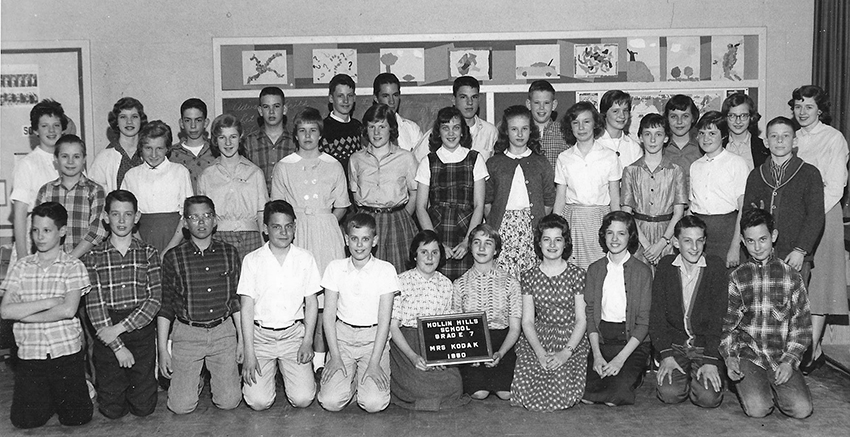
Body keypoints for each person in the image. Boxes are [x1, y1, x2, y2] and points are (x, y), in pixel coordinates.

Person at [0, 202, 93, 429]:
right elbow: (5, 310)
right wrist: (49, 302)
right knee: (24, 422)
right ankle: (49, 397)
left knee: (76, 419)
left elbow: (68, 309)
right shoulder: (21, 266)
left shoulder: (73, 266)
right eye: (35, 230)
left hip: (65, 354)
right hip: (31, 355)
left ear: (61, 231)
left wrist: (25, 313)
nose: (39, 237)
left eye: (46, 230)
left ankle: (80, 390)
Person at [271, 107, 349, 374]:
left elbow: (341, 206)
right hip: (297, 234)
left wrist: (323, 222)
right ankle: (299, 360)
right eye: (302, 131)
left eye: (313, 131)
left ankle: (322, 360)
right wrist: (299, 225)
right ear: (295, 135)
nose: (308, 136)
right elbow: (278, 207)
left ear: (320, 134)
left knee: (326, 297)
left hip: (327, 233)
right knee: (303, 296)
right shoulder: (284, 166)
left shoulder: (333, 165)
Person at [720, 208, 813, 419]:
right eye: (750, 241)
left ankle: (775, 385)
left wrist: (789, 361)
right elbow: (729, 326)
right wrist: (729, 358)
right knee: (758, 410)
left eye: (763, 239)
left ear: (774, 236)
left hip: (780, 356)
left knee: (801, 410)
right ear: (742, 241)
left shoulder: (791, 277)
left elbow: (803, 326)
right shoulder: (737, 277)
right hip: (750, 355)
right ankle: (756, 385)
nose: (757, 247)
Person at [158, 196, 243, 414]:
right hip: (188, 334)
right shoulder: (173, 257)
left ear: (215, 220)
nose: (201, 222)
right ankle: (194, 380)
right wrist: (162, 350)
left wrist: (242, 340)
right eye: (194, 217)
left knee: (229, 402)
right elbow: (166, 306)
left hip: (222, 333)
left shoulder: (229, 253)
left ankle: (217, 377)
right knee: (180, 407)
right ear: (185, 223)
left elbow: (236, 301)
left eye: (206, 216)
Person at [83, 190, 161, 419]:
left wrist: (119, 330)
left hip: (139, 328)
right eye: (115, 214)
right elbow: (94, 304)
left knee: (144, 408)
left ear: (137, 217)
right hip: (106, 328)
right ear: (105, 217)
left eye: (127, 214)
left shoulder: (148, 253)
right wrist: (117, 346)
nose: (121, 220)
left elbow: (154, 299)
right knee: (112, 411)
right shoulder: (94, 256)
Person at [789, 85, 849, 374]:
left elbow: (836, 186)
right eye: (798, 106)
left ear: (820, 110)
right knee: (799, 284)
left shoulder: (833, 138)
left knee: (821, 284)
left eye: (809, 107)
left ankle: (810, 350)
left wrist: (810, 216)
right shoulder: (791, 137)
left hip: (824, 217)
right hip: (797, 218)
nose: (802, 112)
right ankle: (814, 348)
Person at [239, 200, 320, 410]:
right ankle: (268, 378)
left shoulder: (305, 258)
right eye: (276, 226)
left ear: (295, 226)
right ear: (265, 229)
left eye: (288, 226)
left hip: (293, 336)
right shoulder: (252, 260)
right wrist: (249, 351)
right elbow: (246, 307)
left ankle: (289, 374)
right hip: (260, 338)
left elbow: (311, 303)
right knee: (258, 402)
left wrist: (307, 341)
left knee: (303, 399)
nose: (283, 232)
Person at [318, 213, 398, 413]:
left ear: (375, 240)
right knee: (330, 402)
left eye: (365, 239)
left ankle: (362, 382)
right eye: (354, 238)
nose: (359, 245)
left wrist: (374, 362)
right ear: (346, 240)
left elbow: (384, 320)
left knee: (373, 404)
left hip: (373, 341)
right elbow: (328, 316)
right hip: (342, 339)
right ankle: (349, 384)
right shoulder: (335, 268)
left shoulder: (386, 270)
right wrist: (334, 356)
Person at [510, 214, 588, 411]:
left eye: (558, 239)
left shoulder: (577, 275)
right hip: (538, 337)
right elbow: (527, 321)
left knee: (561, 386)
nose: (552, 245)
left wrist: (565, 353)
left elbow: (581, 320)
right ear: (539, 242)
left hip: (570, 337)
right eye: (547, 239)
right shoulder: (529, 276)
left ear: (565, 243)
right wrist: (540, 353)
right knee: (526, 388)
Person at [650, 216, 727, 408]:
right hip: (675, 347)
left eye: (699, 240)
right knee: (670, 394)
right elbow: (657, 315)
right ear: (676, 242)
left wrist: (710, 359)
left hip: (704, 347)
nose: (694, 247)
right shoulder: (666, 267)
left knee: (708, 398)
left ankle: (701, 377)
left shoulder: (715, 267)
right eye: (687, 241)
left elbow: (720, 318)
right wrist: (666, 355)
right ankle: (684, 378)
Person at [389, 230, 470, 410]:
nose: (429, 257)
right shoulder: (401, 281)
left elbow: (448, 327)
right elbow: (393, 327)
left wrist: (443, 358)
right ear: (415, 255)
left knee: (455, 384)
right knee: (416, 383)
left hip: (436, 343)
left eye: (435, 252)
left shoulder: (446, 284)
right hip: (406, 343)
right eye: (424, 252)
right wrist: (412, 357)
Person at [583, 211, 652, 406]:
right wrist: (597, 355)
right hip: (604, 341)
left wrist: (620, 360)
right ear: (603, 236)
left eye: (621, 233)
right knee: (586, 396)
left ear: (630, 236)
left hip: (632, 343)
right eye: (610, 233)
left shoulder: (642, 271)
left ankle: (633, 374)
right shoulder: (595, 269)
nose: (615, 239)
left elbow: (644, 321)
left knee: (616, 396)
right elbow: (590, 315)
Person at [742, 116, 824, 281]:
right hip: (761, 255)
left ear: (794, 141)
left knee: (795, 303)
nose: (779, 140)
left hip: (794, 256)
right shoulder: (756, 175)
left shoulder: (809, 173)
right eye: (774, 136)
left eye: (785, 135)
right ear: (766, 142)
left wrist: (801, 250)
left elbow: (816, 216)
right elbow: (747, 215)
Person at [415, 106, 488, 280]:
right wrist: (437, 244)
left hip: (467, 229)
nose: (451, 133)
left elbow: (479, 205)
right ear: (438, 132)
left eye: (456, 127)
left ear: (463, 131)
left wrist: (468, 242)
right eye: (445, 127)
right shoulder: (428, 161)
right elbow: (420, 207)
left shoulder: (475, 159)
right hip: (438, 230)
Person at [452, 224, 521, 401]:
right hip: (472, 344)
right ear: (470, 247)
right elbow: (457, 328)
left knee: (506, 394)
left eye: (488, 243)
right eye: (476, 242)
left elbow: (514, 328)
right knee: (479, 394)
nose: (481, 248)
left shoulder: (510, 283)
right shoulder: (459, 284)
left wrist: (501, 353)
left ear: (496, 250)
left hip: (502, 343)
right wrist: (470, 353)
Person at [485, 105, 555, 277]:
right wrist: (496, 221)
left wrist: (536, 219)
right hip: (503, 229)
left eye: (524, 129)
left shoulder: (541, 162)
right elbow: (487, 201)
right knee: (502, 280)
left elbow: (548, 200)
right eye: (514, 129)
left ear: (531, 131)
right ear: (506, 132)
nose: (519, 134)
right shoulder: (494, 163)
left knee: (529, 279)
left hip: (530, 229)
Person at [349, 103, 419, 273]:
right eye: (371, 127)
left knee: (399, 273)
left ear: (391, 129)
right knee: (367, 273)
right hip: (366, 220)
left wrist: (401, 215)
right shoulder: (356, 159)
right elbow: (355, 193)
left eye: (382, 126)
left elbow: (415, 192)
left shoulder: (406, 157)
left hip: (397, 220)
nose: (376, 132)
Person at [553, 101, 621, 271]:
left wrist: (616, 227)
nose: (581, 127)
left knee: (600, 270)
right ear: (570, 127)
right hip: (573, 220)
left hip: (600, 219)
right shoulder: (564, 158)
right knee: (572, 270)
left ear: (595, 124)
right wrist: (554, 227)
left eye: (586, 121)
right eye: (575, 122)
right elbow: (560, 198)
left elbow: (614, 198)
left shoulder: (609, 156)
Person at [197, 113, 268, 260]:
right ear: (215, 140)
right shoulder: (206, 175)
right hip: (219, 237)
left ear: (240, 136)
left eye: (233, 137)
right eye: (222, 137)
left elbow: (262, 214)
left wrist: (265, 249)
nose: (228, 143)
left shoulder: (254, 172)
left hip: (251, 238)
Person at [620, 113, 686, 267]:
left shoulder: (676, 171)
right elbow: (626, 213)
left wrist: (661, 244)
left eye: (658, 134)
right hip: (638, 236)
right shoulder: (630, 170)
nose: (653, 139)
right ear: (641, 137)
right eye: (647, 134)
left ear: (666, 138)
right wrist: (647, 246)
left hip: (667, 237)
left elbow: (678, 213)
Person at [121, 120, 194, 257]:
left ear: (167, 148)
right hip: (141, 237)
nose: (153, 154)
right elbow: (127, 213)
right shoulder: (132, 175)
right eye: (148, 148)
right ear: (140, 148)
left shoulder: (179, 171)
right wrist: (142, 246)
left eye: (159, 148)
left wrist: (169, 249)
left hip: (174, 238)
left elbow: (186, 213)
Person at [689, 111, 748, 268]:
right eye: (702, 133)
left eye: (712, 133)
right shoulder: (695, 166)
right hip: (700, 233)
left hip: (727, 232)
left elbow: (743, 208)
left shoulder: (736, 163)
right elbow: (692, 206)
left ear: (723, 136)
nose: (706, 138)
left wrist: (735, 246)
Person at [35, 134, 108, 259]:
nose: (70, 161)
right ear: (56, 159)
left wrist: (70, 259)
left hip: (86, 262)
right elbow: (39, 228)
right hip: (52, 262)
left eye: (76, 156)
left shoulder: (95, 191)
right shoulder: (46, 191)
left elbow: (97, 231)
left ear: (84, 159)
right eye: (64, 156)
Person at [11, 99, 66, 259]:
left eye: (56, 125)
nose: (51, 130)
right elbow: (19, 216)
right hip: (35, 243)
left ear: (63, 128)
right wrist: (23, 257)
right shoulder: (27, 164)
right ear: (35, 130)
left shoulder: (70, 162)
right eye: (44, 126)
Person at [414, 76, 498, 163]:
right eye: (463, 97)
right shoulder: (438, 133)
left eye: (474, 97)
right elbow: (416, 163)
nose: (470, 102)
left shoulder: (490, 132)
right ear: (454, 100)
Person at [89, 97, 147, 193]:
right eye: (123, 117)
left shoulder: (149, 153)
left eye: (134, 116)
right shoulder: (104, 157)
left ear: (141, 120)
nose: (129, 121)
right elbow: (94, 192)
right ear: (116, 121)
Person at [244, 86, 295, 191]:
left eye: (276, 106)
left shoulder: (295, 142)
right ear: (260, 111)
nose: (271, 112)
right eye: (266, 107)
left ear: (284, 109)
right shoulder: (249, 143)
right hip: (258, 204)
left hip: (288, 204)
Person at [320, 74, 363, 182]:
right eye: (340, 96)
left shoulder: (358, 127)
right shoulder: (323, 129)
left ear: (354, 98)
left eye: (349, 95)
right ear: (331, 98)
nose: (345, 101)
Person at [170, 98, 216, 191]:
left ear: (206, 123)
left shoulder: (216, 150)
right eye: (188, 120)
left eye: (198, 120)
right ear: (181, 123)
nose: (193, 125)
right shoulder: (171, 154)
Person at [372, 73, 423, 152]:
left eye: (395, 95)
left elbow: (421, 159)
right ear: (376, 98)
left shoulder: (412, 129)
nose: (391, 101)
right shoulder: (369, 130)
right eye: (386, 96)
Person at [526, 80, 568, 170]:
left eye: (546, 103)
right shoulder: (522, 133)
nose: (541, 107)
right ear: (529, 104)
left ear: (554, 105)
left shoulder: (564, 132)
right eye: (537, 103)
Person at [663, 94, 702, 192]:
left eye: (685, 116)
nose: (679, 122)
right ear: (667, 119)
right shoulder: (660, 148)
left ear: (693, 118)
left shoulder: (702, 147)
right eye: (673, 116)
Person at [721, 93, 768, 172]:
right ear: (726, 117)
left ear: (751, 117)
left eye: (743, 115)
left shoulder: (764, 147)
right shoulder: (719, 146)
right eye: (732, 115)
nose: (738, 121)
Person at [597, 90, 642, 169]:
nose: (622, 116)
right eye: (615, 111)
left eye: (625, 110)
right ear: (604, 113)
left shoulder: (634, 148)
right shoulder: (595, 143)